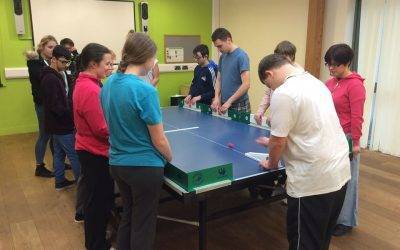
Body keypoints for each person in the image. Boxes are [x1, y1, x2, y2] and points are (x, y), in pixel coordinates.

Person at [257, 54, 350, 249]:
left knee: (304, 244)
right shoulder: (316, 83)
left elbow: (278, 142)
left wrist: (271, 162)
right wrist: (273, 142)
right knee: (321, 240)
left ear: (269, 74)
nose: (271, 90)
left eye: (269, 85)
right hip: (339, 174)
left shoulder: (284, 92)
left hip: (312, 182)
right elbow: (311, 127)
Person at [100, 32, 172, 250]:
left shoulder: (109, 83)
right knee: (143, 224)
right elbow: (159, 140)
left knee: (129, 216)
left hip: (117, 164)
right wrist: (169, 157)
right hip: (143, 168)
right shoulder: (145, 90)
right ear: (147, 57)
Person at [73, 43, 114, 250]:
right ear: (92, 64)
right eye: (107, 63)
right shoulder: (90, 89)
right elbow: (101, 129)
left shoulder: (91, 83)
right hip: (94, 153)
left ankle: (98, 240)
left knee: (99, 199)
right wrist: (125, 132)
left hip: (92, 150)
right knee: (97, 203)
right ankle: (96, 244)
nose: (110, 67)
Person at [324, 44, 366, 237]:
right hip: (331, 136)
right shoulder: (330, 83)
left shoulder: (356, 84)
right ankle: (333, 216)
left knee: (348, 180)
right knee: (334, 179)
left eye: (335, 65)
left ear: (346, 63)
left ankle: (346, 222)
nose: (331, 69)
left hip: (348, 138)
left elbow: (357, 116)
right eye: (328, 64)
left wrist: (356, 142)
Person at [40, 45, 81, 190]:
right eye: (62, 62)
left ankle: (59, 181)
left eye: (67, 62)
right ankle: (83, 186)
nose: (65, 65)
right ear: (53, 59)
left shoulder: (58, 75)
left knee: (59, 154)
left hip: (57, 124)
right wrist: (70, 116)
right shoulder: (50, 78)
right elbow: (56, 106)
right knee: (74, 155)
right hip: (62, 125)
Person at [26, 35, 57, 178]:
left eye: (54, 48)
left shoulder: (51, 61)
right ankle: (39, 166)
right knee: (44, 135)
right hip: (42, 104)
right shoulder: (35, 63)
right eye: (50, 47)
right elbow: (42, 77)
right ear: (42, 47)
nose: (53, 50)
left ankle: (58, 162)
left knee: (54, 135)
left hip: (52, 104)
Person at [254, 40, 303, 125]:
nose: (278, 61)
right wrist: (260, 112)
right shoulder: (276, 71)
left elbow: (291, 105)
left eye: (281, 58)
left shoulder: (298, 76)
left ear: (290, 57)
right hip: (276, 119)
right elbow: (268, 93)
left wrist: (275, 116)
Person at [211, 28, 250, 114]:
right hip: (225, 103)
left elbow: (246, 84)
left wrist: (230, 101)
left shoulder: (241, 56)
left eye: (220, 46)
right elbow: (219, 79)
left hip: (238, 104)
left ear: (228, 40)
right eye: (217, 47)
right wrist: (217, 97)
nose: (218, 50)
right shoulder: (222, 57)